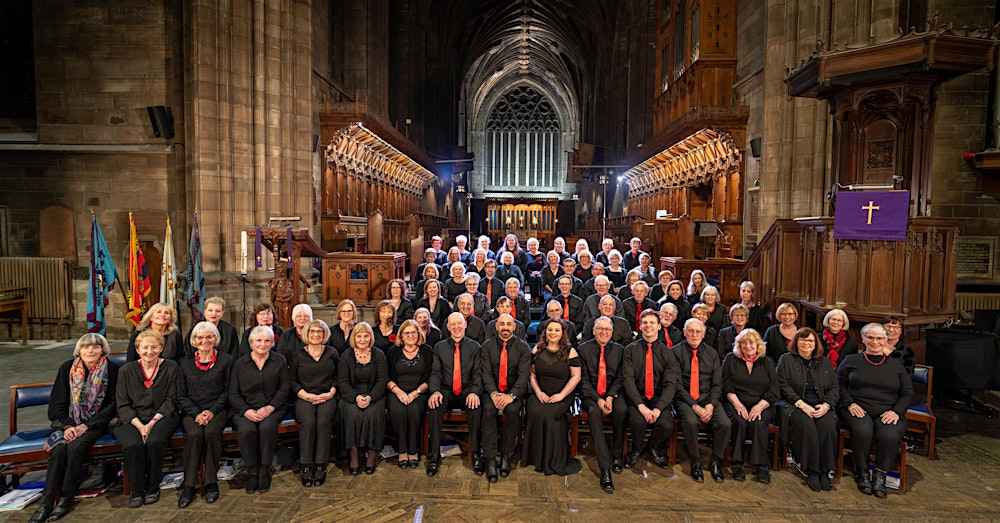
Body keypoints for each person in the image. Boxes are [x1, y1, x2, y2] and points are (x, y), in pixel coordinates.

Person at [28, 334, 119, 523]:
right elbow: (56, 405)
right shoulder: (66, 369)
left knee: (76, 447)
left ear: (103, 349)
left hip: (95, 424)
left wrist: (87, 425)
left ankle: (66, 498)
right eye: (86, 347)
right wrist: (68, 426)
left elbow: (112, 406)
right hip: (67, 423)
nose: (90, 351)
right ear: (79, 350)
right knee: (59, 448)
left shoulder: (112, 369)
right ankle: (46, 502)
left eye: (95, 347)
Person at [838, 323, 913, 498]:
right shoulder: (851, 360)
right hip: (857, 408)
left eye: (879, 338)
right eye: (870, 337)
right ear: (863, 339)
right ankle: (863, 473)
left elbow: (907, 393)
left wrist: (896, 411)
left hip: (888, 411)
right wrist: (850, 404)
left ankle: (880, 475)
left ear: (886, 340)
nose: (875, 342)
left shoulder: (896, 365)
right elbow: (839, 385)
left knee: (889, 435)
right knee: (862, 431)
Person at [115, 329, 180, 508]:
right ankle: (137, 490)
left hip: (161, 416)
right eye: (145, 347)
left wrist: (150, 424)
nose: (149, 351)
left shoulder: (171, 367)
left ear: (161, 348)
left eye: (154, 347)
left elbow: (171, 400)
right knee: (133, 445)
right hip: (131, 418)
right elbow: (122, 404)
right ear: (137, 349)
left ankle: (153, 486)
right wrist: (139, 425)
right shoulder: (126, 371)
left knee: (155, 441)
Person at [176, 322, 233, 508]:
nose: (204, 341)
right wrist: (196, 413)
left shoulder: (226, 360)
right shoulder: (184, 363)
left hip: (217, 410)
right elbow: (180, 395)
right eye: (200, 337)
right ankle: (189, 485)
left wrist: (211, 411)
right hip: (192, 411)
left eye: (209, 337)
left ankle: (210, 482)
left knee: (210, 433)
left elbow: (228, 391)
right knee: (194, 434)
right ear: (194, 340)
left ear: (215, 339)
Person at [777, 327, 839, 492]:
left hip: (821, 406)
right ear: (796, 342)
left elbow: (834, 387)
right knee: (807, 425)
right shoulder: (786, 360)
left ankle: (825, 471)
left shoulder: (824, 362)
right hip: (794, 405)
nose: (806, 343)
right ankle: (812, 470)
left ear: (815, 343)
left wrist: (826, 405)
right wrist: (802, 405)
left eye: (810, 340)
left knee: (827, 426)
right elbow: (783, 386)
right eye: (802, 340)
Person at [230, 326, 290, 495]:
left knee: (266, 428)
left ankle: (264, 470)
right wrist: (246, 410)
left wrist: (270, 407)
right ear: (251, 343)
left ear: (272, 343)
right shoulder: (240, 364)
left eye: (267, 341)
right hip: (245, 408)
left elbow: (284, 388)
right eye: (258, 340)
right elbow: (233, 392)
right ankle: (252, 471)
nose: (262, 344)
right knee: (246, 430)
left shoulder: (280, 361)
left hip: (273, 407)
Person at [521, 319, 582, 475]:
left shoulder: (570, 351)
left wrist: (561, 395)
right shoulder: (537, 349)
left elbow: (576, 377)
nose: (553, 333)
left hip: (562, 394)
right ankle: (536, 458)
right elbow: (531, 374)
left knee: (549, 415)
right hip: (540, 393)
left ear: (562, 333)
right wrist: (538, 392)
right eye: (550, 330)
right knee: (534, 411)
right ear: (545, 333)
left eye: (556, 330)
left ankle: (553, 459)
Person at [673, 318, 731, 483]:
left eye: (698, 331)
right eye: (690, 331)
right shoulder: (676, 352)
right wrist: (695, 406)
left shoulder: (712, 353)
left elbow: (717, 383)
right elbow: (676, 385)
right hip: (685, 398)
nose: (694, 334)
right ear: (684, 332)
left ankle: (715, 460)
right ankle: (696, 461)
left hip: (708, 398)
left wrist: (711, 405)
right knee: (691, 422)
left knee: (725, 424)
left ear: (704, 334)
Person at [621, 311, 679, 473]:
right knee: (638, 422)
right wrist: (641, 406)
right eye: (644, 322)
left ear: (659, 326)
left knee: (666, 424)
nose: (648, 326)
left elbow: (670, 384)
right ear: (640, 326)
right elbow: (628, 380)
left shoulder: (668, 353)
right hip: (637, 397)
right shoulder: (630, 350)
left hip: (658, 398)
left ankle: (653, 447)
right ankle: (637, 449)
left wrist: (658, 408)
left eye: (652, 323)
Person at [426, 313, 483, 477]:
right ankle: (435, 456)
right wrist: (435, 391)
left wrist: (474, 392)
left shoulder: (475, 347)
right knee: (434, 406)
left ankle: (476, 454)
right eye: (453, 324)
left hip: (467, 390)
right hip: (446, 390)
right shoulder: (439, 347)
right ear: (448, 327)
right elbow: (435, 373)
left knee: (476, 406)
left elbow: (478, 374)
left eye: (460, 323)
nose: (457, 327)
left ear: (465, 325)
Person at [479, 314, 532, 482]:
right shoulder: (487, 346)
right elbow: (485, 374)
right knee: (487, 411)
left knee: (512, 411)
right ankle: (490, 459)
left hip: (513, 392)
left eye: (509, 324)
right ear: (496, 326)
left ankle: (506, 456)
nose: (505, 327)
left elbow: (523, 376)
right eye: (501, 324)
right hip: (492, 391)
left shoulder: (523, 347)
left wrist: (511, 396)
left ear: (514, 327)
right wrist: (494, 393)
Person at [578, 317, 628, 493]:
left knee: (622, 410)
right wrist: (598, 399)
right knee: (594, 414)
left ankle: (617, 455)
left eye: (607, 329)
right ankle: (605, 468)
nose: (604, 332)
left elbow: (622, 377)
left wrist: (610, 396)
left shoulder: (620, 350)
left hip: (613, 393)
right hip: (590, 395)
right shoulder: (583, 349)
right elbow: (583, 381)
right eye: (600, 329)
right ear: (593, 330)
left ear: (612, 332)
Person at [721, 329, 777, 484]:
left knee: (759, 424)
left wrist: (759, 406)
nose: (748, 346)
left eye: (751, 342)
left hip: (762, 403)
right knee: (739, 421)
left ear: (758, 344)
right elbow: (725, 384)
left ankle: (761, 465)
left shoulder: (767, 362)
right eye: (744, 343)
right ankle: (737, 462)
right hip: (735, 401)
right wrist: (737, 403)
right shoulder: (731, 359)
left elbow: (774, 390)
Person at [290, 319, 339, 487]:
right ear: (307, 334)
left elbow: (338, 377)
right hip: (304, 397)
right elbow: (292, 381)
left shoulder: (332, 352)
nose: (316, 334)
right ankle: (305, 465)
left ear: (324, 334)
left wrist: (330, 393)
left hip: (327, 396)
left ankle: (320, 464)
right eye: (312, 331)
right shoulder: (298, 354)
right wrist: (306, 396)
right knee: (309, 422)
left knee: (323, 422)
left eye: (319, 331)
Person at [339, 322, 389, 475]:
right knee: (352, 414)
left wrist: (371, 397)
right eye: (359, 336)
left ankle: (372, 455)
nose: (362, 339)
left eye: (366, 335)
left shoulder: (378, 354)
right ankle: (353, 455)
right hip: (351, 395)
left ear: (370, 337)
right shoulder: (346, 355)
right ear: (354, 337)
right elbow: (343, 381)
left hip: (374, 394)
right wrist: (356, 397)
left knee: (373, 414)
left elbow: (382, 380)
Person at [386, 320, 433, 469]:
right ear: (401, 336)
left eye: (414, 332)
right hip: (396, 391)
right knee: (398, 411)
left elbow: (432, 377)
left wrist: (416, 393)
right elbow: (385, 377)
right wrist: (398, 392)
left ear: (419, 334)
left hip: (419, 392)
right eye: (407, 333)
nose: (410, 335)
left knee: (413, 411)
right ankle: (402, 450)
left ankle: (413, 450)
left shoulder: (427, 351)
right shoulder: (393, 352)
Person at [524, 237, 546, 305]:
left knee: (539, 277)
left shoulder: (542, 255)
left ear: (537, 245)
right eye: (531, 245)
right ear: (528, 246)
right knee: (532, 277)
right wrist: (532, 272)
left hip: (540, 273)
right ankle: (532, 297)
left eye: (534, 244)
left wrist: (539, 272)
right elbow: (525, 267)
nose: (533, 246)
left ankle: (538, 297)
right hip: (529, 273)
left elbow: (545, 266)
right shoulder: (526, 255)